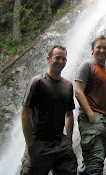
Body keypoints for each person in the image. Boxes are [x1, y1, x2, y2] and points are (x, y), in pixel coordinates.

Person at [20, 45, 77, 175]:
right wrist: (30, 145)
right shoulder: (38, 82)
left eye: (64, 59)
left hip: (61, 143)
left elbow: (69, 114)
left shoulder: (68, 86)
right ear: (48, 59)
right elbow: (25, 114)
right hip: (40, 143)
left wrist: (68, 139)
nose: (61, 61)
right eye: (57, 58)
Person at [75, 35, 106, 175]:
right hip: (91, 119)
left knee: (89, 164)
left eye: (105, 47)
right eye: (99, 47)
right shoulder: (88, 66)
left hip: (105, 122)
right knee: (96, 164)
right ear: (92, 49)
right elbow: (78, 91)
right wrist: (90, 115)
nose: (102, 50)